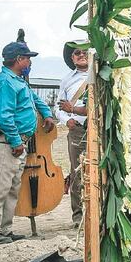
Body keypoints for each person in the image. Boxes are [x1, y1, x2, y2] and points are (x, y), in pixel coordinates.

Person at [0, 36, 55, 246]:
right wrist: (15, 141)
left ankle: (4, 230)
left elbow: (33, 98)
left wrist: (46, 113)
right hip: (7, 143)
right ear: (19, 59)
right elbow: (5, 117)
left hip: (15, 143)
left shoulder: (17, 80)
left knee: (11, 188)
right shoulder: (6, 82)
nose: (30, 63)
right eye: (28, 59)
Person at [57, 43, 89, 228]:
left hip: (98, 128)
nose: (81, 55)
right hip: (76, 130)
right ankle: (78, 216)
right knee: (77, 172)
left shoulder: (100, 74)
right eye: (77, 53)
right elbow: (59, 106)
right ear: (72, 58)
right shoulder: (67, 79)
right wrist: (66, 119)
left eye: (85, 51)